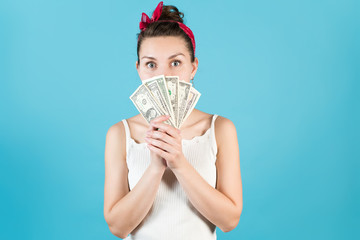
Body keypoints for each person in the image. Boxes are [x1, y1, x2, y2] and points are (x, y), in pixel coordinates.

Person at [103, 2, 243, 239]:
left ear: (193, 67)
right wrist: (156, 167)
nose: (163, 75)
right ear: (138, 69)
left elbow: (229, 220)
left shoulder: (219, 129)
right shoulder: (120, 133)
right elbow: (118, 227)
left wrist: (178, 162)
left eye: (175, 63)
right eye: (151, 64)